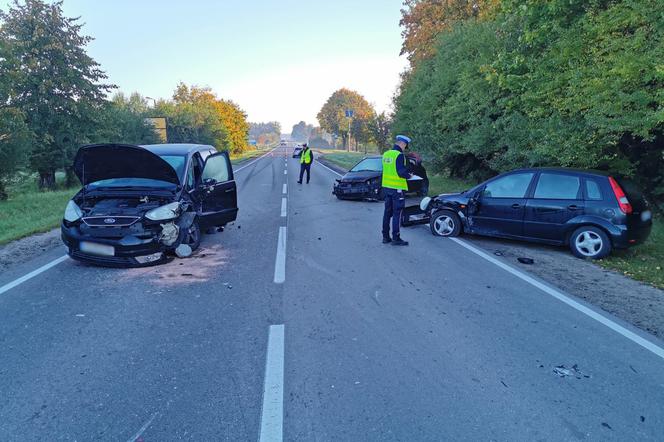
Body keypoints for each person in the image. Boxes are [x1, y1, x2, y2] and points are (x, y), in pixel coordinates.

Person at [381, 135, 412, 246]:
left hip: (387, 187)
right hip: (397, 189)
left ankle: (385, 237)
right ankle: (396, 238)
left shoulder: (386, 154)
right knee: (397, 214)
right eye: (405, 146)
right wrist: (409, 176)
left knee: (387, 213)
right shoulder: (399, 155)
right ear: (402, 144)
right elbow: (401, 172)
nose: (405, 148)